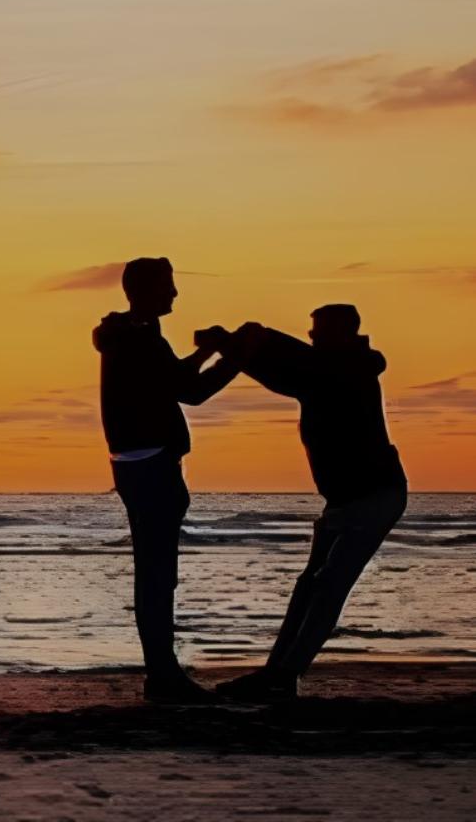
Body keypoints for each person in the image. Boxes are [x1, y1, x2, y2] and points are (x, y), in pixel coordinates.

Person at [212, 306, 408, 703]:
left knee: (328, 586)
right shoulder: (330, 367)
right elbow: (294, 371)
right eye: (311, 334)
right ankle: (277, 673)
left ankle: (284, 675)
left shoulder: (347, 369)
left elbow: (297, 369)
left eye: (319, 334)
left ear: (343, 334)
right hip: (343, 500)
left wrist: (253, 341)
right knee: (310, 586)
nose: (314, 339)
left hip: (374, 495)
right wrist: (243, 346)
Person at [94, 257, 238, 703]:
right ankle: (162, 674)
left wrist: (208, 353)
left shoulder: (131, 336)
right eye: (168, 286)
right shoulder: (137, 338)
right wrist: (234, 356)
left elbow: (173, 377)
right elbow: (188, 389)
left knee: (155, 571)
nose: (174, 294)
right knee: (157, 573)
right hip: (151, 462)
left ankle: (163, 669)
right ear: (145, 289)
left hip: (135, 462)